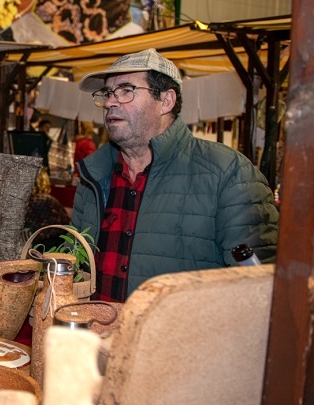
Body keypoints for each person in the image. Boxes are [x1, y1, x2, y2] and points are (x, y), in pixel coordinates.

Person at [71, 48, 278, 302]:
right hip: (95, 337)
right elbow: (76, 267)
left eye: (126, 90)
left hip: (182, 340)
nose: (111, 102)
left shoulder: (229, 173)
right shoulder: (93, 177)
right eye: (107, 93)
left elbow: (260, 289)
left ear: (166, 101)